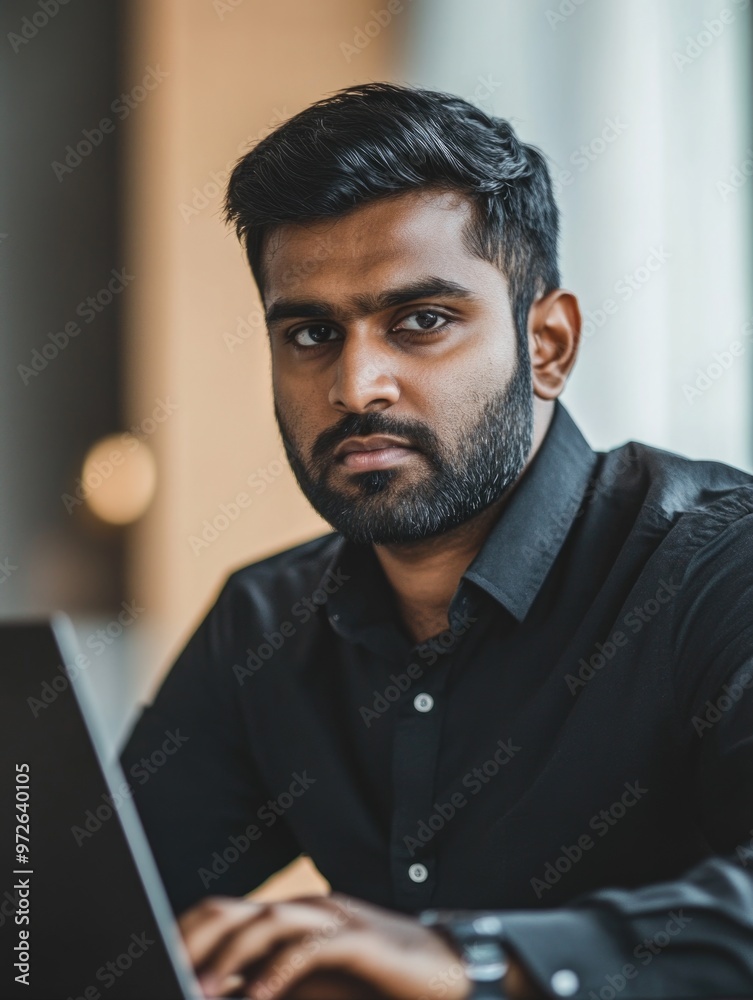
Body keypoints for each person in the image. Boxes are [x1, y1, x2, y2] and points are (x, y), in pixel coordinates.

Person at [119, 83, 753, 999]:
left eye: (420, 321)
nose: (356, 385)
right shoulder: (263, 624)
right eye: (310, 333)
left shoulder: (718, 570)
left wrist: (477, 962)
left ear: (547, 345)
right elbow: (74, 914)